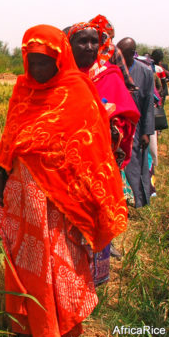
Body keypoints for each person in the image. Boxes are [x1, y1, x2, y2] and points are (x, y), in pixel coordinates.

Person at [0, 24, 127, 337]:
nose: (37, 69)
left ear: (59, 58)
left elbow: (92, 146)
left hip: (60, 201)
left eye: (44, 61)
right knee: (24, 262)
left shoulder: (77, 89)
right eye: (32, 61)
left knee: (54, 263)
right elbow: (10, 135)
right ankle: (28, 327)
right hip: (23, 197)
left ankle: (49, 333)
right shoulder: (23, 89)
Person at [68, 20, 140, 266]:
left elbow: (126, 114)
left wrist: (113, 129)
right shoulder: (59, 76)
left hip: (101, 161)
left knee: (99, 211)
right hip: (67, 164)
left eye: (94, 42)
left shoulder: (109, 75)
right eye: (82, 41)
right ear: (69, 45)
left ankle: (96, 268)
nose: (89, 47)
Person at [117, 37, 156, 208]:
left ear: (133, 53)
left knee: (137, 164)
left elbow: (148, 105)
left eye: (124, 54)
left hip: (138, 125)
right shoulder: (114, 70)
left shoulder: (145, 72)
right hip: (119, 124)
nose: (121, 57)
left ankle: (139, 201)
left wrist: (147, 132)